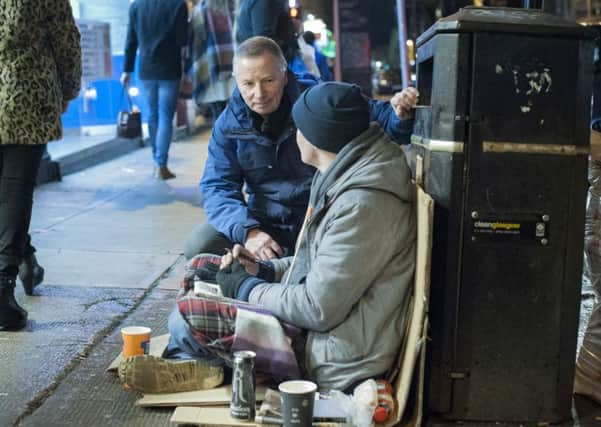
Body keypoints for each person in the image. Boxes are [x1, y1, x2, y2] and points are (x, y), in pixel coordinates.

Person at [119, 82, 415, 393]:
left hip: (330, 356)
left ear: (317, 137)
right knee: (203, 267)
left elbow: (317, 308)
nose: (294, 132)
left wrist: (247, 288)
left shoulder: (361, 204)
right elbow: (313, 261)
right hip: (318, 328)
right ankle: (204, 361)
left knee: (185, 319)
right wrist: (261, 270)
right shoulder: (346, 177)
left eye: (299, 126)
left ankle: (205, 364)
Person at [183, 36, 419, 260]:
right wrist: (248, 232)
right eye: (248, 83)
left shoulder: (317, 99)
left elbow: (384, 119)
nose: (259, 94)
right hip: (264, 222)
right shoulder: (227, 125)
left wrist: (400, 114)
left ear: (285, 75)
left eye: (268, 80)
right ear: (236, 80)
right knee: (200, 244)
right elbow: (217, 186)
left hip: (321, 214)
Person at [0, 0, 82, 330]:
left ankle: (26, 261)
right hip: (26, 91)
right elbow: (64, 37)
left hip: (24, 93)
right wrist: (68, 89)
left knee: (6, 194)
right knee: (14, 190)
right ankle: (3, 286)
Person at [121, 0, 189, 180]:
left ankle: (156, 159)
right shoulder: (178, 5)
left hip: (146, 69)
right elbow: (183, 39)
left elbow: (131, 40)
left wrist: (126, 70)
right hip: (169, 68)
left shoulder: (137, 6)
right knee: (166, 116)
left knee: (152, 115)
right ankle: (161, 164)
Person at [187, 0, 237, 121]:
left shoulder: (200, 10)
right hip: (236, 68)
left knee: (218, 116)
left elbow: (196, 42)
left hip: (211, 68)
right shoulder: (235, 6)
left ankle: (221, 139)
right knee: (238, 113)